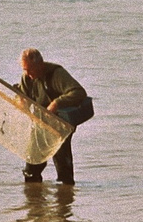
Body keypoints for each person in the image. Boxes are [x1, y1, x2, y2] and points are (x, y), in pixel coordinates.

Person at [15, 48, 91, 184]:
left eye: (30, 69)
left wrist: (56, 103)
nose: (27, 73)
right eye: (24, 69)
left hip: (61, 125)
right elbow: (22, 94)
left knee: (63, 168)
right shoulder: (26, 77)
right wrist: (21, 100)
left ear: (40, 64)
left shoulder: (56, 74)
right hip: (40, 124)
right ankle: (34, 200)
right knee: (31, 170)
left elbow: (79, 92)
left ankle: (65, 198)